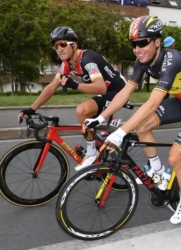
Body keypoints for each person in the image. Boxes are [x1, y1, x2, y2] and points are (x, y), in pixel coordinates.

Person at [83, 15, 181, 225]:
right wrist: (100, 117)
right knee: (142, 125)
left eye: (142, 42)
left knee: (175, 158)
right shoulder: (141, 61)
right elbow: (125, 93)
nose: (137, 49)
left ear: (157, 42)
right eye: (134, 44)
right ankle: (158, 173)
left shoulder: (172, 59)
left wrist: (120, 133)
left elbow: (152, 104)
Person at [18, 26, 126, 170]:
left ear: (73, 45)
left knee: (82, 110)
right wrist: (32, 109)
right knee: (87, 120)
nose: (59, 49)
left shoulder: (87, 60)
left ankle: (92, 152)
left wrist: (74, 85)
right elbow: (51, 87)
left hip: (119, 91)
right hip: (106, 92)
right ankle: (99, 146)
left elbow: (101, 87)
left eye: (63, 44)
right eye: (56, 46)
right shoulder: (67, 64)